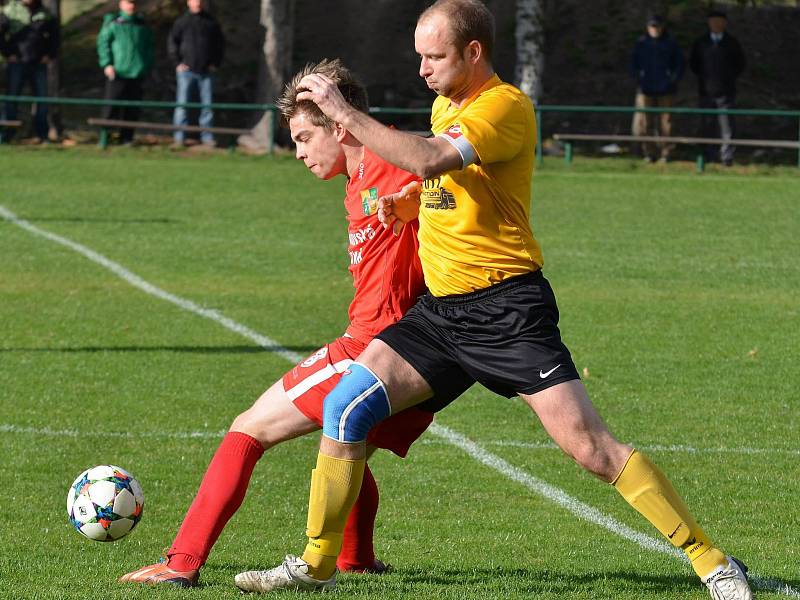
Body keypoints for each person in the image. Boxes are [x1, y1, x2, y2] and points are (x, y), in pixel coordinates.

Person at [234, 2, 754, 599]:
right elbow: (447, 181)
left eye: (435, 56)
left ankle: (711, 560)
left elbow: (430, 157)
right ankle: (318, 562)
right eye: (420, 57)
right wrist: (410, 204)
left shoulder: (505, 106)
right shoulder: (445, 102)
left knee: (591, 448)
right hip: (440, 313)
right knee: (346, 410)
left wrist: (342, 112)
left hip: (507, 311)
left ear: (473, 53)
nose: (424, 69)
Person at [119, 58, 467, 588]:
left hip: (376, 347)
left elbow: (444, 162)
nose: (299, 152)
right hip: (417, 353)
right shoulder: (358, 179)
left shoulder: (390, 158)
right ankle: (356, 559)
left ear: (340, 124)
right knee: (351, 446)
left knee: (247, 429)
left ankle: (180, 563)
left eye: (305, 137)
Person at [690, 9, 746, 166]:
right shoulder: (701, 43)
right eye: (712, 21)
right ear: (708, 23)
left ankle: (727, 156)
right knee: (707, 124)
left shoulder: (732, 43)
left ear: (724, 23)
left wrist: (728, 78)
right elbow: (694, 64)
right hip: (705, 91)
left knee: (727, 125)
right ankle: (708, 154)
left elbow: (740, 64)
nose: (715, 24)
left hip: (726, 92)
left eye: (719, 21)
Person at [167, 0, 224, 147]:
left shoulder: (211, 22)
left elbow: (219, 44)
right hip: (186, 72)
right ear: (188, 2)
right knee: (182, 105)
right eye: (194, 0)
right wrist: (177, 63)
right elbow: (172, 43)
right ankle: (179, 137)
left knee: (207, 106)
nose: (197, 3)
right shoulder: (181, 22)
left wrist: (215, 63)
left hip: (206, 72)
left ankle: (207, 137)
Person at [0, 0, 59, 143]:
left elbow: (54, 37)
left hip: (38, 64)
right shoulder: (10, 11)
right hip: (17, 63)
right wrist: (8, 53)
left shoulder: (45, 13)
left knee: (41, 100)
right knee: (12, 99)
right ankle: (8, 134)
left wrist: (49, 55)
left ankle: (42, 134)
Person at [96, 0, 154, 145]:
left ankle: (126, 138)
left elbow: (149, 47)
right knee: (111, 107)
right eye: (128, 2)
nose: (131, 6)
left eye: (134, 3)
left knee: (132, 109)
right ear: (121, 4)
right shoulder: (113, 23)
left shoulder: (142, 25)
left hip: (137, 73)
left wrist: (146, 65)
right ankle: (106, 138)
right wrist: (107, 63)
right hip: (118, 72)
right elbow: (103, 43)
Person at [630, 13, 684, 163]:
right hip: (645, 89)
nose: (655, 29)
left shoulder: (671, 44)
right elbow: (633, 65)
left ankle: (666, 152)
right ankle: (648, 152)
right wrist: (639, 79)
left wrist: (672, 80)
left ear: (662, 27)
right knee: (644, 122)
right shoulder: (641, 44)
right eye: (652, 26)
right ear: (647, 28)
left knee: (666, 122)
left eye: (657, 26)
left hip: (666, 89)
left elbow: (679, 65)